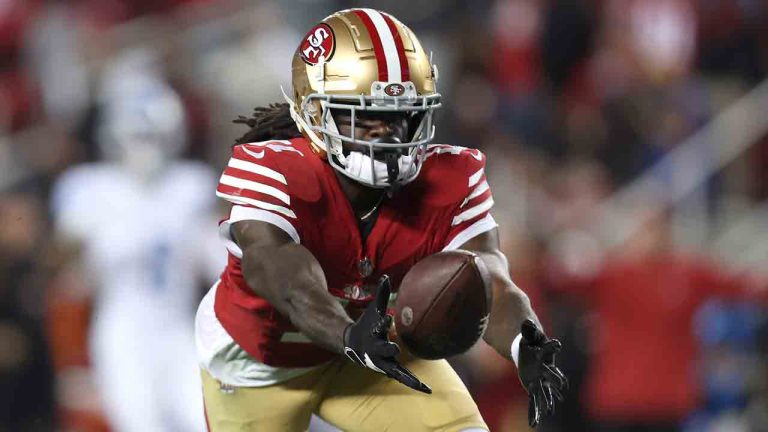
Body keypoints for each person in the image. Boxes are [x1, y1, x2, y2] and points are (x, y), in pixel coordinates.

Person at [196, 8, 567, 431]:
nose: (389, 134)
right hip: (262, 361)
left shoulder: (450, 177)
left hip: (377, 352)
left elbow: (491, 282)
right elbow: (279, 272)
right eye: (367, 116)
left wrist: (524, 339)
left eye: (402, 115)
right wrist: (346, 334)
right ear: (316, 115)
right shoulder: (278, 168)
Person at [51, 62, 222, 432]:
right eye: (138, 137)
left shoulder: (188, 184)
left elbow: (219, 264)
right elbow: (64, 277)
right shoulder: (88, 188)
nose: (146, 149)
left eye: (154, 137)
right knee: (142, 425)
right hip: (122, 333)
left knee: (204, 420)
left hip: (179, 327)